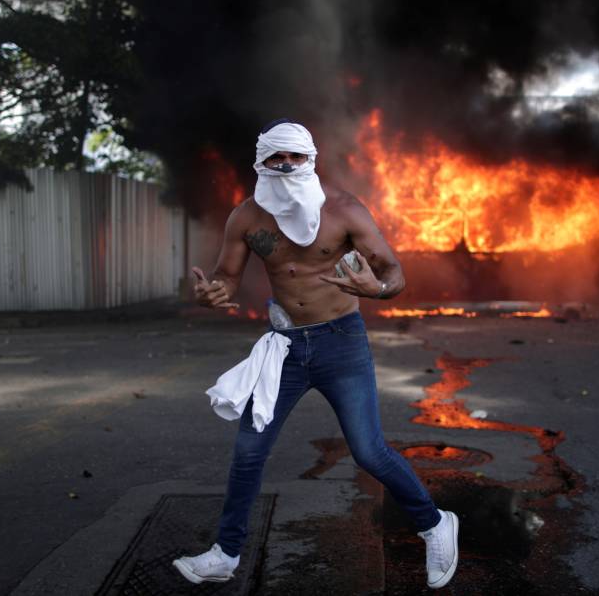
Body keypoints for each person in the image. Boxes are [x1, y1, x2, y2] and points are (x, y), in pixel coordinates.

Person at [172, 119, 459, 589]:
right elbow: (225, 275)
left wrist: (379, 288)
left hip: (340, 342)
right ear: (260, 163)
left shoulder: (343, 210)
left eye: (294, 157)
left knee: (368, 451)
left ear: (310, 161)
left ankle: (435, 524)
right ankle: (225, 554)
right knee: (248, 453)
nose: (284, 164)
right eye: (274, 157)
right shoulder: (246, 217)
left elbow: (393, 270)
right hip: (283, 348)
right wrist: (213, 294)